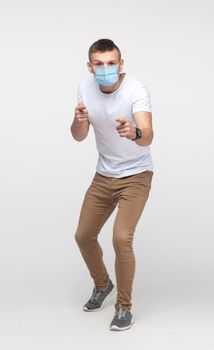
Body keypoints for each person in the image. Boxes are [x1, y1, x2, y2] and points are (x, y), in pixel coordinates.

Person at [71, 38, 154, 331]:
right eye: (99, 64)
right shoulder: (84, 87)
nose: (105, 68)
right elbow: (78, 135)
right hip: (104, 175)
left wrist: (135, 131)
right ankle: (102, 284)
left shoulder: (136, 90)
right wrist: (79, 119)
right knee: (83, 236)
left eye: (111, 63)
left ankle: (124, 306)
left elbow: (148, 136)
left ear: (121, 64)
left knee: (121, 239)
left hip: (135, 175)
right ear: (90, 67)